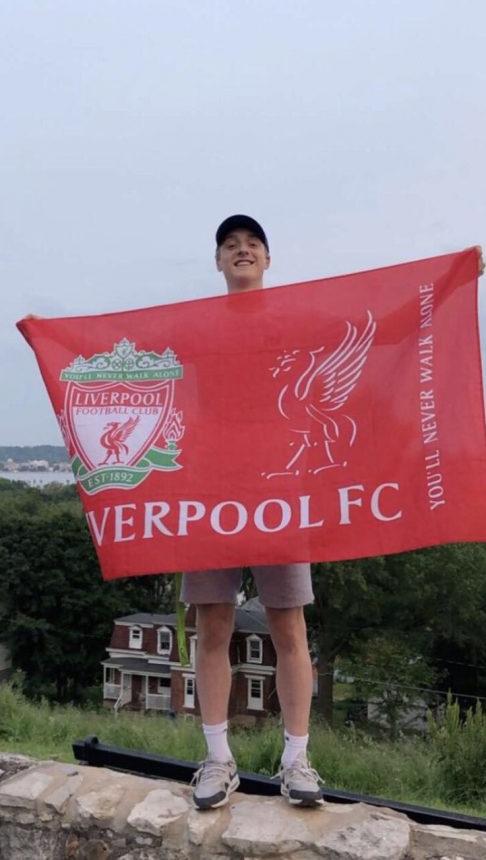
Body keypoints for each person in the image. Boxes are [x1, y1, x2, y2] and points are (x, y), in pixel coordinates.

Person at [181, 214, 324, 810]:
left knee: (289, 626)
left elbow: (379, 320)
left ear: (268, 260)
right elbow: (125, 356)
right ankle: (217, 760)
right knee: (212, 625)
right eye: (230, 246)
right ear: (217, 262)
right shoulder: (195, 326)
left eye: (252, 245)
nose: (241, 251)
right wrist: (48, 335)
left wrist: (446, 280)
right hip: (211, 488)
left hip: (279, 489)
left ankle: (297, 762)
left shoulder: (293, 319)